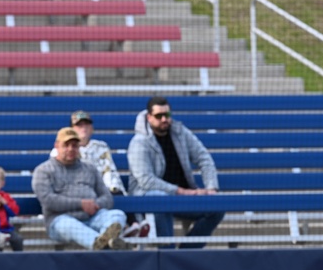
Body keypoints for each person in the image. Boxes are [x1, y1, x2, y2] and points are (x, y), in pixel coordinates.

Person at [126, 96, 224, 248]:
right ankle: (168, 254)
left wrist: (211, 188)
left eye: (167, 115)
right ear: (149, 117)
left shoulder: (180, 132)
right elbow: (146, 181)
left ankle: (186, 253)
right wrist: (183, 192)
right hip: (148, 196)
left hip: (183, 197)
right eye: (159, 116)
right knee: (161, 199)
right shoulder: (139, 143)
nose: (164, 119)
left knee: (217, 206)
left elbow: (204, 158)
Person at [32, 127, 131, 251]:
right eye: (66, 145)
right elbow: (48, 200)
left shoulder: (90, 168)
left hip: (92, 217)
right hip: (60, 220)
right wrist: (81, 204)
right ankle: (102, 244)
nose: (70, 149)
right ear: (56, 146)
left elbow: (107, 198)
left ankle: (106, 241)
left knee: (118, 215)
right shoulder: (44, 170)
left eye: (74, 145)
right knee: (69, 226)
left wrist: (94, 205)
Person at [67, 109, 150, 238]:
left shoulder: (101, 146)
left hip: (104, 190)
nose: (83, 128)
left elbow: (109, 171)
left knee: (115, 191)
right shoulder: (65, 150)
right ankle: (129, 226)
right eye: (79, 125)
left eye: (87, 124)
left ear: (92, 127)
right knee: (110, 197)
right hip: (81, 194)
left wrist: (110, 189)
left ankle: (131, 226)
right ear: (71, 129)